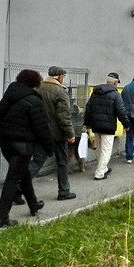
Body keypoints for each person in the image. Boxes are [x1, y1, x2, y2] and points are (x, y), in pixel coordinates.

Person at [0, 69, 55, 228]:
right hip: (23, 145)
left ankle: (33, 204)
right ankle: (1, 218)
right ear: (35, 82)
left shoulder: (9, 95)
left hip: (5, 141)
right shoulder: (34, 100)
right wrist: (49, 148)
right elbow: (42, 128)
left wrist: (11, 129)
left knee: (24, 173)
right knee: (12, 179)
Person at [32, 66, 76, 201]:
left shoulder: (37, 88)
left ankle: (18, 188)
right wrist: (70, 134)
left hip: (40, 132)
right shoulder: (60, 92)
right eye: (63, 76)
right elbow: (64, 116)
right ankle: (64, 191)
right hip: (57, 134)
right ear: (60, 77)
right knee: (62, 162)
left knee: (37, 161)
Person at [84, 72, 129, 180]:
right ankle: (99, 173)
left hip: (95, 125)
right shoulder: (115, 95)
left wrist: (87, 123)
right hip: (108, 126)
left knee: (99, 149)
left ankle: (103, 169)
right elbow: (121, 111)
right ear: (115, 83)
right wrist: (126, 124)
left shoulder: (95, 92)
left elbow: (88, 108)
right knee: (106, 150)